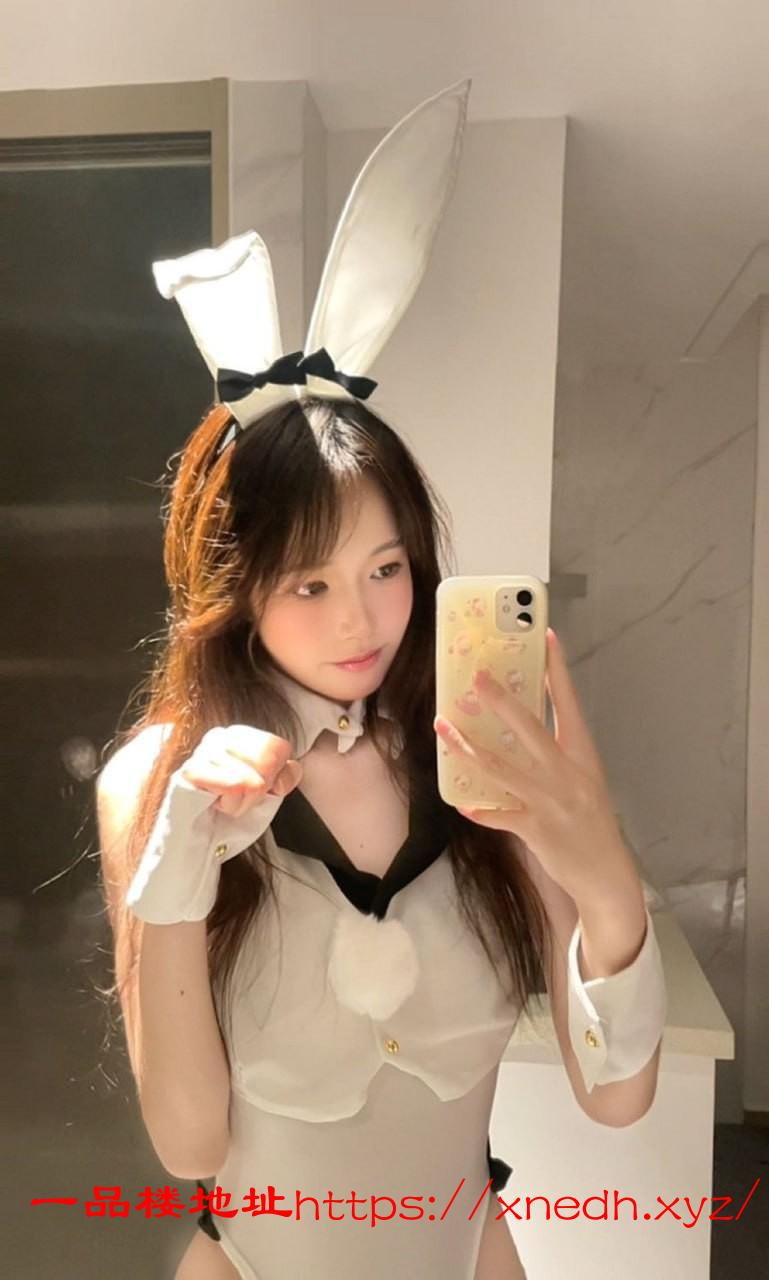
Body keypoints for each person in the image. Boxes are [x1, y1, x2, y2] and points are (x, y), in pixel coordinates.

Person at [96, 81, 667, 1280]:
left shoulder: (485, 754)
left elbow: (615, 1098)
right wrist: (174, 881)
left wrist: (604, 874)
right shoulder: (158, 780)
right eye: (308, 582)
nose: (359, 620)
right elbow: (189, 1140)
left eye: (386, 567)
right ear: (236, 588)